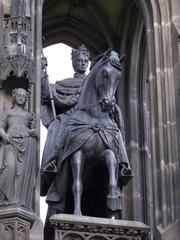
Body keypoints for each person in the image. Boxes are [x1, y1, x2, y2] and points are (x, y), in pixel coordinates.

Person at [0, 88, 37, 211]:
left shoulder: (28, 115)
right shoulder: (7, 112)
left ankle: (17, 200)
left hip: (27, 142)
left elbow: (33, 129)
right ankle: (5, 200)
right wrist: (4, 135)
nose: (21, 98)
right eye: (19, 96)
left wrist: (33, 132)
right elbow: (0, 126)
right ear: (14, 97)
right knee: (9, 167)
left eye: (24, 96)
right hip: (10, 142)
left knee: (21, 173)